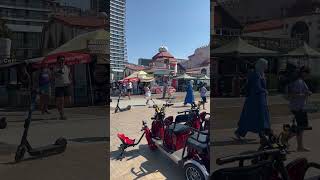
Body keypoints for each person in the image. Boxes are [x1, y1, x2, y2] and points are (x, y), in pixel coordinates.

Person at [235, 58, 270, 139]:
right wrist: (264, 91)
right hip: (255, 99)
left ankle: (263, 133)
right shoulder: (256, 74)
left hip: (260, 99)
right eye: (265, 65)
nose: (266, 67)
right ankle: (262, 133)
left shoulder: (260, 74)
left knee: (256, 116)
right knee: (254, 116)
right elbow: (256, 87)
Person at [287, 66, 312, 152]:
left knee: (301, 127)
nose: (309, 76)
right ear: (304, 73)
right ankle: (284, 139)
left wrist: (307, 93)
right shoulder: (298, 82)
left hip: (299, 107)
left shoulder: (301, 81)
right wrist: (304, 95)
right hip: (297, 107)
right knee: (301, 127)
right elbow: (292, 95)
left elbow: (304, 92)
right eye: (308, 74)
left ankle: (299, 146)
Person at [54, 56, 71, 120]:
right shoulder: (55, 68)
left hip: (66, 85)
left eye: (63, 60)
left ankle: (58, 105)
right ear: (58, 61)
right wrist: (60, 69)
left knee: (69, 100)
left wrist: (70, 80)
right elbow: (56, 75)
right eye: (61, 60)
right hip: (59, 86)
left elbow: (68, 74)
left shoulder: (67, 67)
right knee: (62, 101)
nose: (62, 61)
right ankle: (62, 115)